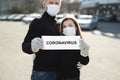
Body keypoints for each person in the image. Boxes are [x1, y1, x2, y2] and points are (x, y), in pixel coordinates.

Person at [22, 0, 62, 80]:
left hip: (60, 72)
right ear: (44, 4)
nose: (54, 5)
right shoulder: (37, 22)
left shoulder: (60, 24)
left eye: (57, 3)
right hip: (43, 73)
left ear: (60, 5)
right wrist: (32, 46)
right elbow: (25, 46)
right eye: (51, 2)